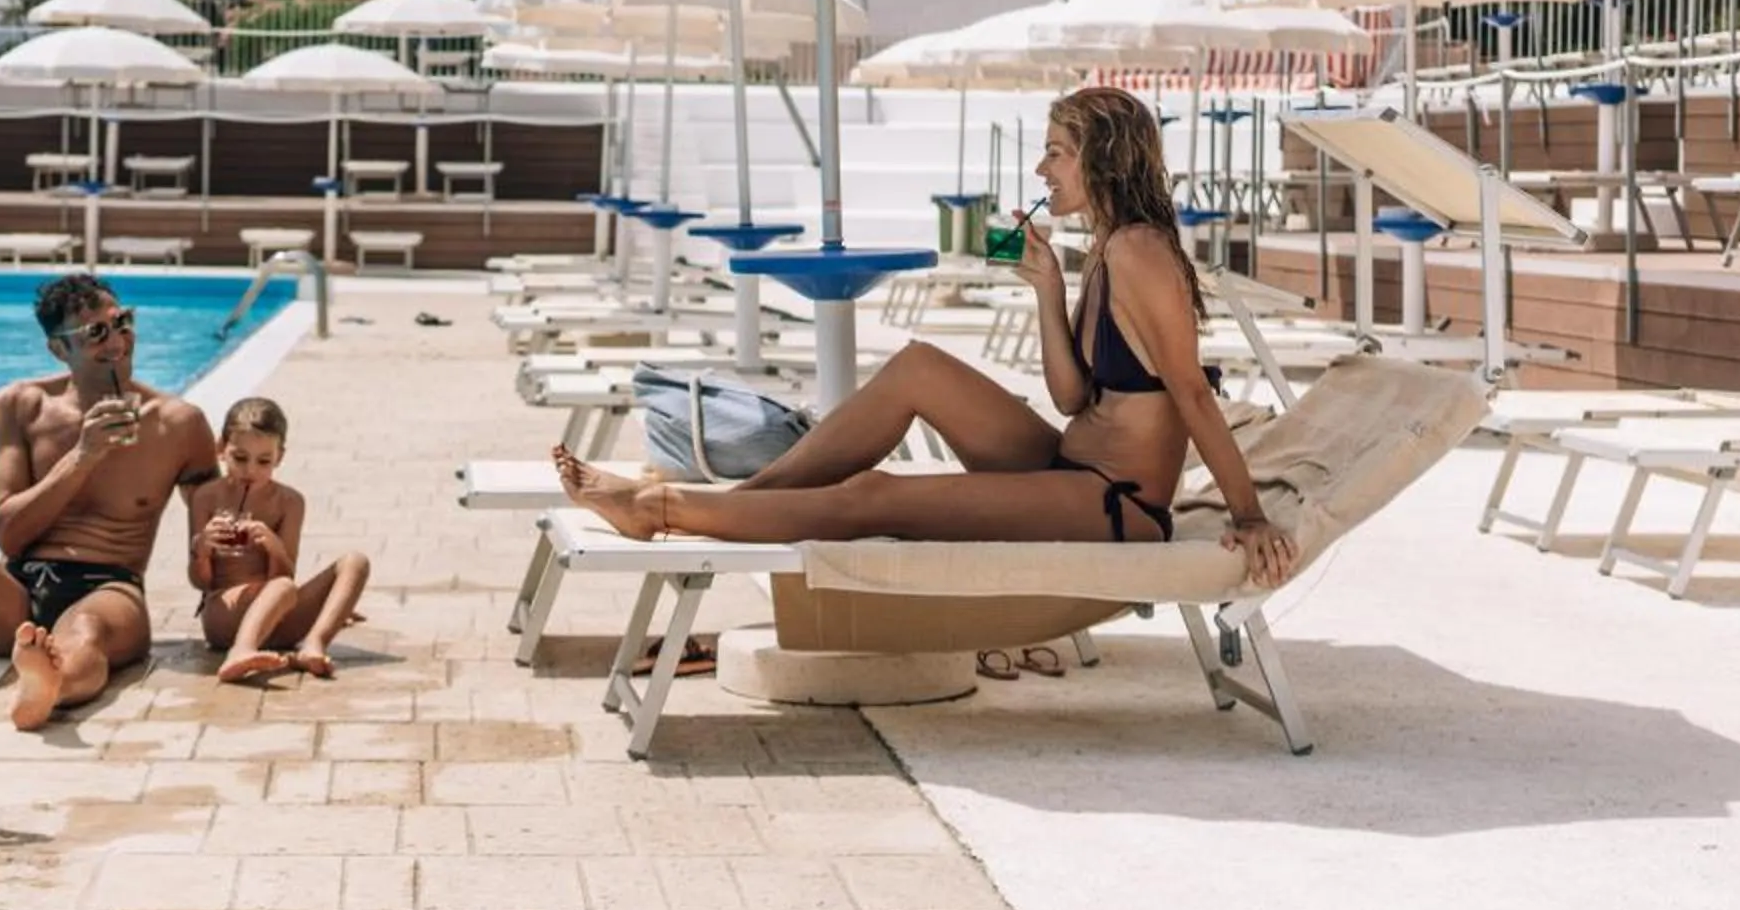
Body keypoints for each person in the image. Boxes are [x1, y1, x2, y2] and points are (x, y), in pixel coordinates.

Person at [554, 86, 1298, 589]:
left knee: (874, 495)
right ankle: (736, 505)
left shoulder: (1140, 250)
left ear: (1104, 157)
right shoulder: (1104, 248)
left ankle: (662, 512)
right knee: (916, 367)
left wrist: (1249, 514)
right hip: (1073, 461)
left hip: (1116, 503)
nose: (1042, 167)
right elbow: (1074, 398)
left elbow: (1194, 395)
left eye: (1057, 152)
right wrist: (1047, 288)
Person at [0, 272, 217, 729]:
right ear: (60, 350)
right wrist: (83, 456)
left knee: (86, 633)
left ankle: (50, 686)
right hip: (17, 589)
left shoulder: (179, 424)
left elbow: (213, 534)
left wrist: (256, 587)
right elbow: (10, 534)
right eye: (95, 332)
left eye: (122, 322)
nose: (117, 339)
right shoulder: (20, 405)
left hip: (108, 587)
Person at [186, 397, 371, 683]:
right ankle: (241, 651)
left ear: (279, 457)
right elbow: (201, 583)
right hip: (224, 615)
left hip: (279, 616)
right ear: (221, 449)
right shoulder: (207, 497)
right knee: (283, 588)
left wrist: (273, 546)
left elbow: (284, 574)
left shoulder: (290, 502)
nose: (250, 470)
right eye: (240, 458)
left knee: (355, 562)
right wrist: (201, 549)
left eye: (264, 461)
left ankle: (313, 645)